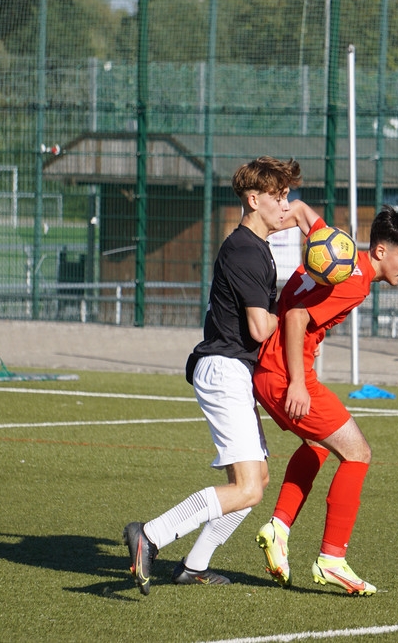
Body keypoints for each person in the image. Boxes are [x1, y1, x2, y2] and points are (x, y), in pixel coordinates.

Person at [123, 157, 319, 595]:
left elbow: (296, 218)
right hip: (224, 369)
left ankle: (194, 565)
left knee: (256, 481)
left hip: (232, 369)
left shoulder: (254, 246)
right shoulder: (246, 250)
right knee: (248, 488)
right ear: (254, 199)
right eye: (278, 196)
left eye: (287, 196)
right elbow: (259, 328)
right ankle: (150, 535)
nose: (285, 204)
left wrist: (309, 221)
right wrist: (293, 315)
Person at [253, 204, 398, 596]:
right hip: (285, 376)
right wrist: (298, 384)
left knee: (318, 444)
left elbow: (300, 210)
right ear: (381, 251)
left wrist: (266, 225)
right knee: (358, 453)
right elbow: (296, 316)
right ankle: (332, 558)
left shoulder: (333, 246)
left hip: (268, 371)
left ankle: (278, 528)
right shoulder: (355, 281)